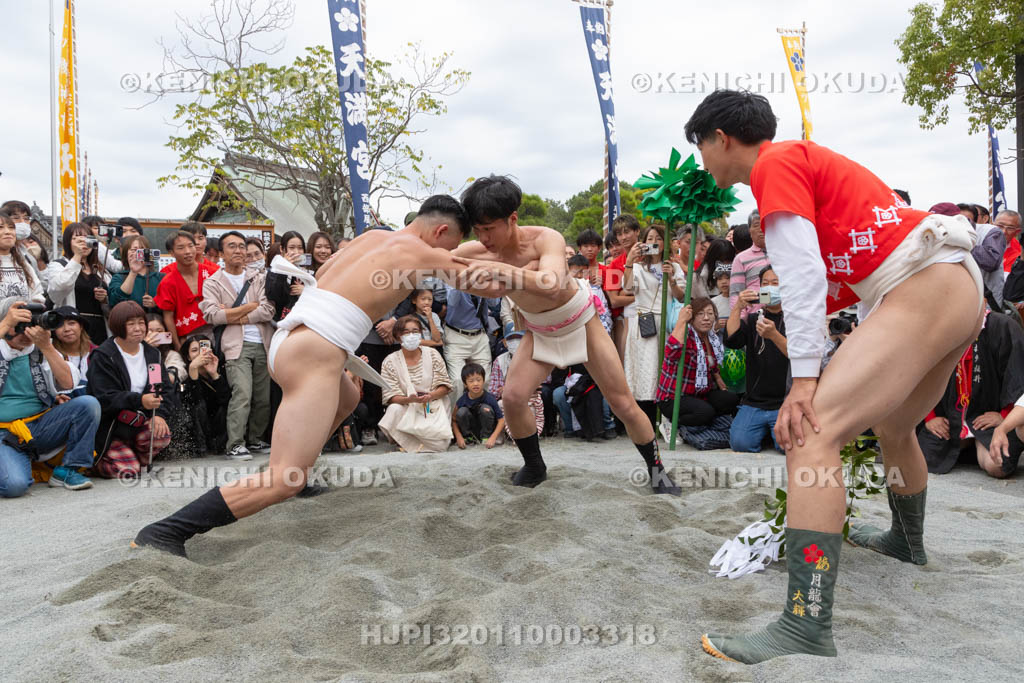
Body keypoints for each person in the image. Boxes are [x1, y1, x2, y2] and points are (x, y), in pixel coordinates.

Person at [686, 89, 983, 664]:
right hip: (952, 288)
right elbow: (830, 276)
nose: (703, 163)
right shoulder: (804, 160)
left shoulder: (774, 165)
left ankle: (805, 622)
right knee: (896, 427)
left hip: (924, 284)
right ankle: (906, 540)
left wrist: (803, 382)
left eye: (701, 148)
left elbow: (802, 274)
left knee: (811, 433)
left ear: (720, 139)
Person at [131, 195, 484, 557]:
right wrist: (541, 272)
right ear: (440, 230)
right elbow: (488, 278)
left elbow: (455, 254)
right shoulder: (412, 251)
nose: (450, 251)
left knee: (347, 398)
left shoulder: (374, 238)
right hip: (311, 353)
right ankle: (165, 531)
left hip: (296, 338)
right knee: (283, 478)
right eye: (451, 243)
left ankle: (299, 476)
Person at [456, 175, 682, 494]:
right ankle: (534, 465)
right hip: (538, 329)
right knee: (513, 398)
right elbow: (442, 262)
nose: (484, 238)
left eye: (489, 228)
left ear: (513, 218)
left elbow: (550, 281)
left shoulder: (545, 238)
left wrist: (501, 272)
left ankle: (657, 471)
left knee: (622, 403)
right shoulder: (478, 251)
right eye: (477, 231)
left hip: (580, 321)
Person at [0, 298, 100, 496]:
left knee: (88, 404)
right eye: (21, 324)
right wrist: (4, 324)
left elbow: (68, 383)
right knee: (15, 486)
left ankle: (69, 469)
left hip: (40, 426)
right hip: (4, 434)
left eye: (33, 323)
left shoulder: (41, 349)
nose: (28, 330)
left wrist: (46, 347)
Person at [917, 310, 1024, 479]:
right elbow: (922, 373)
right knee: (919, 460)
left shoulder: (1002, 326)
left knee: (997, 466)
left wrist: (1004, 416)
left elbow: (1016, 375)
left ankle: (977, 443)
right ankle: (966, 444)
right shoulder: (938, 326)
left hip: (988, 418)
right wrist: (930, 416)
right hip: (951, 416)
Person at [198, 231, 274, 460]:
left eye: (241, 246)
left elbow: (268, 310)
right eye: (232, 246)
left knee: (263, 398)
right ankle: (235, 444)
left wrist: (230, 313)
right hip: (235, 346)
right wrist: (248, 307)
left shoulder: (258, 277)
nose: (239, 251)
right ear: (221, 253)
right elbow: (211, 315)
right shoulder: (213, 282)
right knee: (242, 393)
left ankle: (255, 439)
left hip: (263, 342)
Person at [87, 302, 176, 478]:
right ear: (118, 326)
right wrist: (139, 400)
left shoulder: (152, 354)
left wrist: (159, 415)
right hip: (111, 427)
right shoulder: (104, 355)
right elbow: (104, 397)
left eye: (141, 323)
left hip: (140, 421)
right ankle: (98, 462)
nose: (138, 328)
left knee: (161, 435)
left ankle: (134, 458)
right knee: (126, 471)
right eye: (131, 324)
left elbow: (162, 389)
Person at [622, 224, 685, 426]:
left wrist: (671, 279)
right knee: (643, 370)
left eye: (658, 238)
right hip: (644, 322)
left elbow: (682, 296)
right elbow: (628, 288)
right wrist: (630, 261)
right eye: (649, 238)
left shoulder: (674, 267)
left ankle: (664, 420)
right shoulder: (639, 267)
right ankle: (644, 422)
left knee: (662, 370)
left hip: (665, 322)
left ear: (666, 242)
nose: (654, 242)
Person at [725, 266, 789, 452]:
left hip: (784, 401)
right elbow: (732, 340)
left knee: (787, 446)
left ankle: (773, 433)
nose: (770, 288)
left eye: (775, 283)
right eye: (765, 284)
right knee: (740, 443)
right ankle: (766, 432)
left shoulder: (795, 318)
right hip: (755, 401)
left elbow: (797, 355)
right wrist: (738, 307)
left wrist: (774, 335)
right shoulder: (755, 318)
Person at [656, 297, 739, 432]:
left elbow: (712, 363)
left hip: (699, 394)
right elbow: (671, 352)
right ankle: (672, 425)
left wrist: (717, 377)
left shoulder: (711, 337)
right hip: (674, 397)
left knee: (731, 399)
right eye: (700, 314)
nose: (706, 318)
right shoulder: (686, 333)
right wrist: (681, 321)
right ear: (692, 318)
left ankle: (700, 421)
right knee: (705, 413)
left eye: (710, 314)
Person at [378, 315, 453, 452]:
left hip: (432, 404)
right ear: (397, 336)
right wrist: (409, 399)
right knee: (393, 409)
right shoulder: (390, 361)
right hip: (406, 405)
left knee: (440, 444)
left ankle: (413, 444)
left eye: (415, 331)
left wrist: (430, 396)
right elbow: (390, 396)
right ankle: (408, 442)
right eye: (406, 332)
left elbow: (445, 386)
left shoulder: (433, 354)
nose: (411, 335)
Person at [45, 222, 111, 343]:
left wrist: (104, 299)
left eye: (87, 239)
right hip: (71, 327)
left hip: (99, 328)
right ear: (68, 242)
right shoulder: (58, 265)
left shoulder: (101, 270)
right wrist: (77, 256)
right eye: (77, 239)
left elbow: (112, 302)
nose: (83, 243)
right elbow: (59, 288)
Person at [171, 334, 231, 458]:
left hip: (219, 430)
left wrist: (214, 374)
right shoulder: (186, 377)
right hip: (198, 431)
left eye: (203, 348)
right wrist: (193, 368)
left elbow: (226, 400)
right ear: (188, 356)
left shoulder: (221, 370)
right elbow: (194, 402)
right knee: (198, 406)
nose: (200, 354)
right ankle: (203, 448)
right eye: (194, 350)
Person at [154, 231, 213, 349]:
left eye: (191, 246)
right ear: (171, 253)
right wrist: (177, 346)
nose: (188, 251)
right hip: (187, 337)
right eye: (181, 248)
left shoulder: (212, 273)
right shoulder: (167, 282)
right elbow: (168, 317)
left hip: (215, 330)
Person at [487, 330, 544, 438]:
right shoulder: (500, 360)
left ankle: (536, 433)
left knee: (543, 395)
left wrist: (527, 387)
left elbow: (545, 380)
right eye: (511, 339)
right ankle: (511, 435)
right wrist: (507, 390)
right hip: (508, 397)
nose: (515, 342)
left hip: (532, 395)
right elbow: (493, 391)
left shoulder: (536, 356)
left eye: (519, 338)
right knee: (498, 403)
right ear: (504, 342)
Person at [604, 215, 640, 363]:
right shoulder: (613, 266)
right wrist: (645, 295)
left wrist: (625, 293)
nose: (623, 237)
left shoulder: (654, 256)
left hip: (658, 316)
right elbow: (614, 300)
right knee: (628, 362)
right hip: (627, 321)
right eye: (619, 234)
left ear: (637, 231)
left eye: (627, 232)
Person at [728, 210, 769, 318]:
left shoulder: (784, 254)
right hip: (754, 320)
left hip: (785, 317)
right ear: (750, 231)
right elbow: (736, 294)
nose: (761, 229)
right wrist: (741, 322)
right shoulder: (741, 259)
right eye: (756, 225)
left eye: (765, 224)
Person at [453, 362, 505, 448]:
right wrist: (459, 437)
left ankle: (485, 437)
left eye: (478, 380)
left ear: (483, 381)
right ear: (465, 384)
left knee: (485, 409)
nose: (475, 384)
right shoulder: (462, 400)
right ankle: (468, 438)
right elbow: (454, 420)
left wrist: (493, 437)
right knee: (461, 411)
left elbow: (501, 420)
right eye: (471, 381)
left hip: (486, 430)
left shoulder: (490, 398)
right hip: (471, 429)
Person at [108, 234, 164, 310]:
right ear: (126, 254)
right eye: (133, 250)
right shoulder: (119, 277)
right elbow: (114, 302)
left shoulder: (161, 278)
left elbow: (171, 304)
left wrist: (156, 304)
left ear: (149, 253)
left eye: (142, 250)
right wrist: (133, 272)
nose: (138, 253)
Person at [0, 212, 44, 303]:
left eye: (11, 228)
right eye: (0, 227)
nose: (8, 232)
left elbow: (37, 292)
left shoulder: (22, 262)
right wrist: (8, 317)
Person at [264, 231, 308, 322]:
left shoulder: (308, 271)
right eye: (292, 248)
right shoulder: (275, 270)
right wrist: (285, 268)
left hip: (304, 319)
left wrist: (306, 291)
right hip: (282, 321)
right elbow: (273, 296)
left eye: (300, 248)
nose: (296, 252)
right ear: (282, 249)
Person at [51, 307, 94, 397]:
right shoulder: (50, 355)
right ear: (54, 331)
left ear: (81, 326)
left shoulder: (97, 353)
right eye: (60, 325)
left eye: (71, 323)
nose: (66, 329)